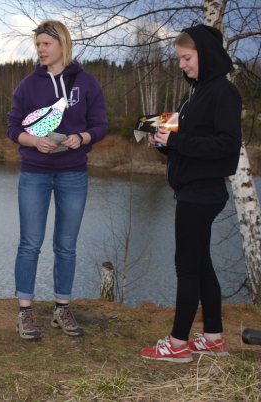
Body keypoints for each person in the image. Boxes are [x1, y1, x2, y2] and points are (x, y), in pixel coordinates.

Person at [140, 25, 241, 362]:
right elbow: (186, 140)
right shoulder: (194, 92)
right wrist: (164, 142)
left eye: (186, 57)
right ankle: (212, 337)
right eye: (179, 58)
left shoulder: (222, 92)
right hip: (192, 187)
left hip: (203, 191)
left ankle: (178, 343)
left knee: (186, 266)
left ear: (205, 54)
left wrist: (178, 142)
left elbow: (227, 146)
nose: (182, 64)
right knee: (201, 264)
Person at [7, 21, 107, 340]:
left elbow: (101, 125)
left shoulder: (87, 83)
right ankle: (25, 313)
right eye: (37, 45)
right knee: (30, 244)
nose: (40, 49)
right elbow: (12, 128)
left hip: (73, 172)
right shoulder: (27, 86)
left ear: (62, 44)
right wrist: (34, 141)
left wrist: (82, 137)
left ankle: (61, 308)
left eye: (46, 44)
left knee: (66, 246)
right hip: (34, 172)